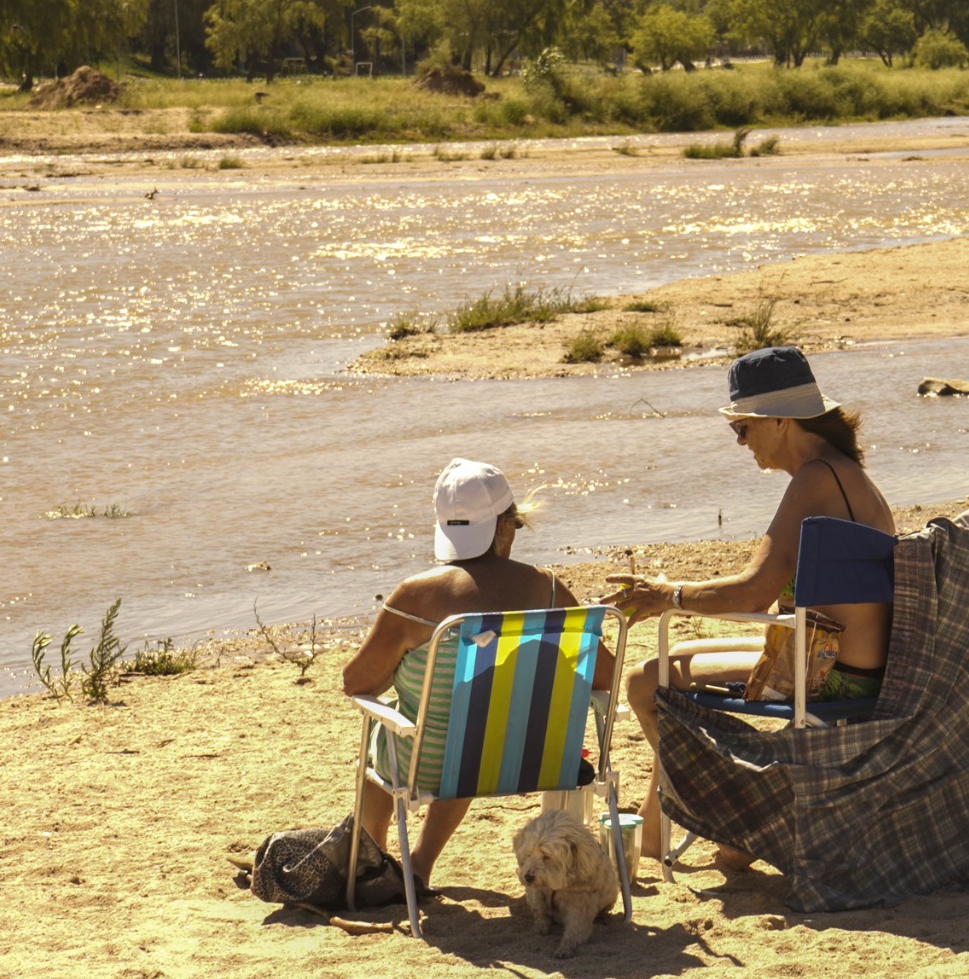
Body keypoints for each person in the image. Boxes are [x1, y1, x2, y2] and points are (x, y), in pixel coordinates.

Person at [610, 346, 896, 864]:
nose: (741, 441)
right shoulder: (846, 473)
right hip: (850, 662)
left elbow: (751, 594)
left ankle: (727, 820)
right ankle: (661, 831)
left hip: (826, 672)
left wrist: (667, 595)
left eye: (742, 428)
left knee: (645, 682)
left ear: (781, 420)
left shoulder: (815, 480)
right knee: (672, 663)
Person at [341, 458, 588, 888]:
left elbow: (355, 682)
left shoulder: (416, 596)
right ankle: (419, 865)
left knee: (412, 730)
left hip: (429, 765)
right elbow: (599, 677)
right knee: (479, 730)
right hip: (535, 761)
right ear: (505, 527)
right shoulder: (550, 591)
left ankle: (374, 861)